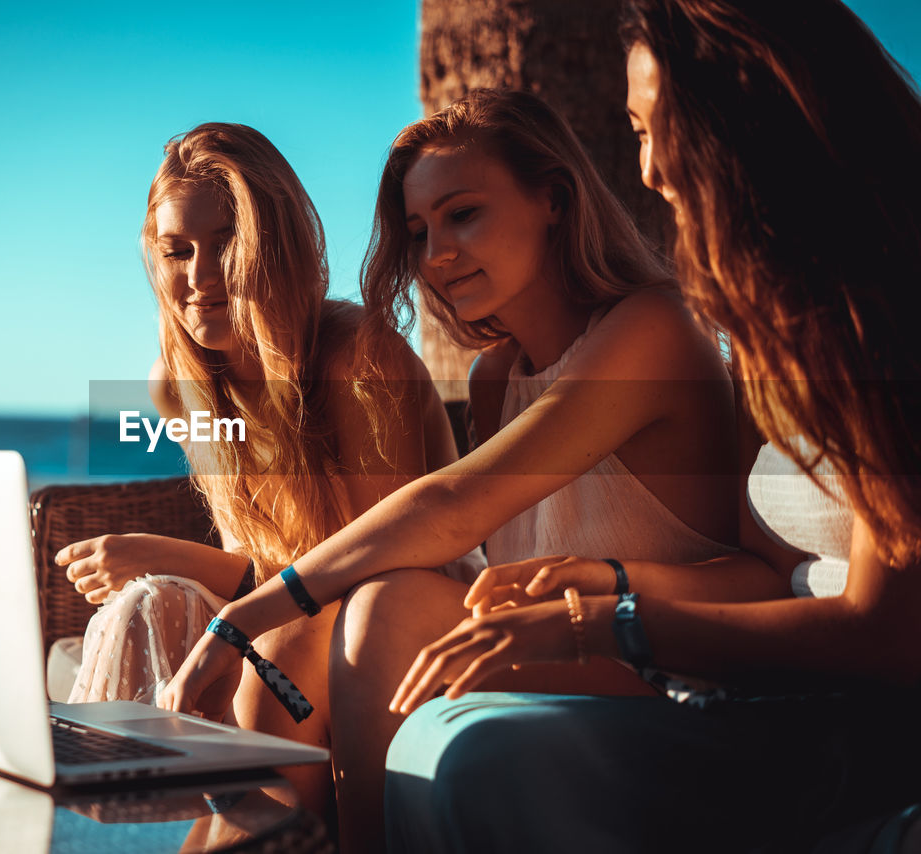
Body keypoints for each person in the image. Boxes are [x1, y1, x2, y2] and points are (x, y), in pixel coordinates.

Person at [160, 89, 778, 852]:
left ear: (552, 200)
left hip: (671, 663)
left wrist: (237, 617)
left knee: (373, 614)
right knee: (294, 652)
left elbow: (453, 505)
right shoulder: (496, 378)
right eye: (419, 231)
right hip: (557, 647)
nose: (437, 254)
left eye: (464, 214)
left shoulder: (652, 328)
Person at [380, 2, 921, 850]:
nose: (651, 168)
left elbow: (889, 633)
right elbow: (770, 571)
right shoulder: (781, 327)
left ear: (741, 115)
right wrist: (603, 579)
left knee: (478, 752)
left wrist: (607, 623)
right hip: (772, 693)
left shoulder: (891, 310)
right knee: (439, 727)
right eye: (634, 133)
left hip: (863, 728)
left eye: (652, 126)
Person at [53, 122, 477, 815]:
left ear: (274, 243)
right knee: (149, 605)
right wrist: (170, 574)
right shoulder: (179, 384)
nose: (200, 277)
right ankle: (105, 819)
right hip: (283, 613)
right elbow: (257, 559)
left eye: (226, 244)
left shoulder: (360, 358)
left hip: (393, 621)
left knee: (250, 632)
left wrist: (162, 553)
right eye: (177, 250)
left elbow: (368, 574)